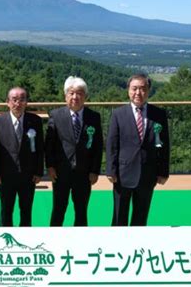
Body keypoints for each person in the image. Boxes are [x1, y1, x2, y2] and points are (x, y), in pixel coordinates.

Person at [106, 74, 170, 226]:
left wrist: (163, 171)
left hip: (148, 173)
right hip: (122, 174)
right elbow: (112, 144)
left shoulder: (159, 114)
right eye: (134, 88)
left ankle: (136, 248)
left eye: (142, 89)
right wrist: (110, 170)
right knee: (118, 216)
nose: (138, 93)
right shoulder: (118, 114)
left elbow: (164, 144)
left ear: (149, 91)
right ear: (128, 90)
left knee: (141, 218)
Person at [45, 76, 103, 226]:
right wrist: (50, 166)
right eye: (71, 93)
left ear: (85, 96)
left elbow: (98, 145)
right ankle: (54, 241)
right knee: (58, 209)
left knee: (81, 211)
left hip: (84, 173)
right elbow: (49, 144)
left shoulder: (94, 117)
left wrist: (95, 171)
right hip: (60, 172)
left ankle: (80, 243)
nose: (75, 97)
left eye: (79, 93)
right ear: (65, 95)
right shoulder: (56, 115)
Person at [0, 87, 44, 226]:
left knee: (26, 211)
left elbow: (40, 148)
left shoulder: (36, 121)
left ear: (26, 102)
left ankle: (25, 241)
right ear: (8, 102)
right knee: (6, 211)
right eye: (14, 100)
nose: (18, 103)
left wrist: (39, 172)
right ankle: (4, 240)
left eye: (22, 99)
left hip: (29, 175)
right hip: (5, 175)